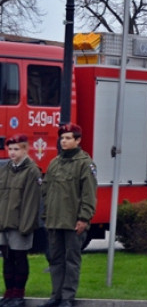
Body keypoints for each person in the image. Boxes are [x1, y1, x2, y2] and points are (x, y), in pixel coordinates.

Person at [41, 123, 96, 307]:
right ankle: (55, 295)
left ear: (77, 140)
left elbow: (89, 194)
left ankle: (67, 298)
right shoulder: (54, 163)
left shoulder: (85, 164)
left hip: (73, 222)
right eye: (62, 138)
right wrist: (45, 216)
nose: (63, 141)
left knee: (71, 261)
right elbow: (46, 192)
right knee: (55, 260)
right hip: (54, 221)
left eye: (68, 138)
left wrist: (83, 219)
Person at [0, 134, 42, 307]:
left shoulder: (32, 170)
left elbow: (32, 202)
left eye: (16, 149)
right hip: (4, 223)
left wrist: (26, 226)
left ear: (25, 149)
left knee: (19, 258)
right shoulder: (5, 169)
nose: (12, 153)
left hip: (20, 224)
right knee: (7, 258)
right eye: (10, 149)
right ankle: (9, 293)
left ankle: (19, 294)